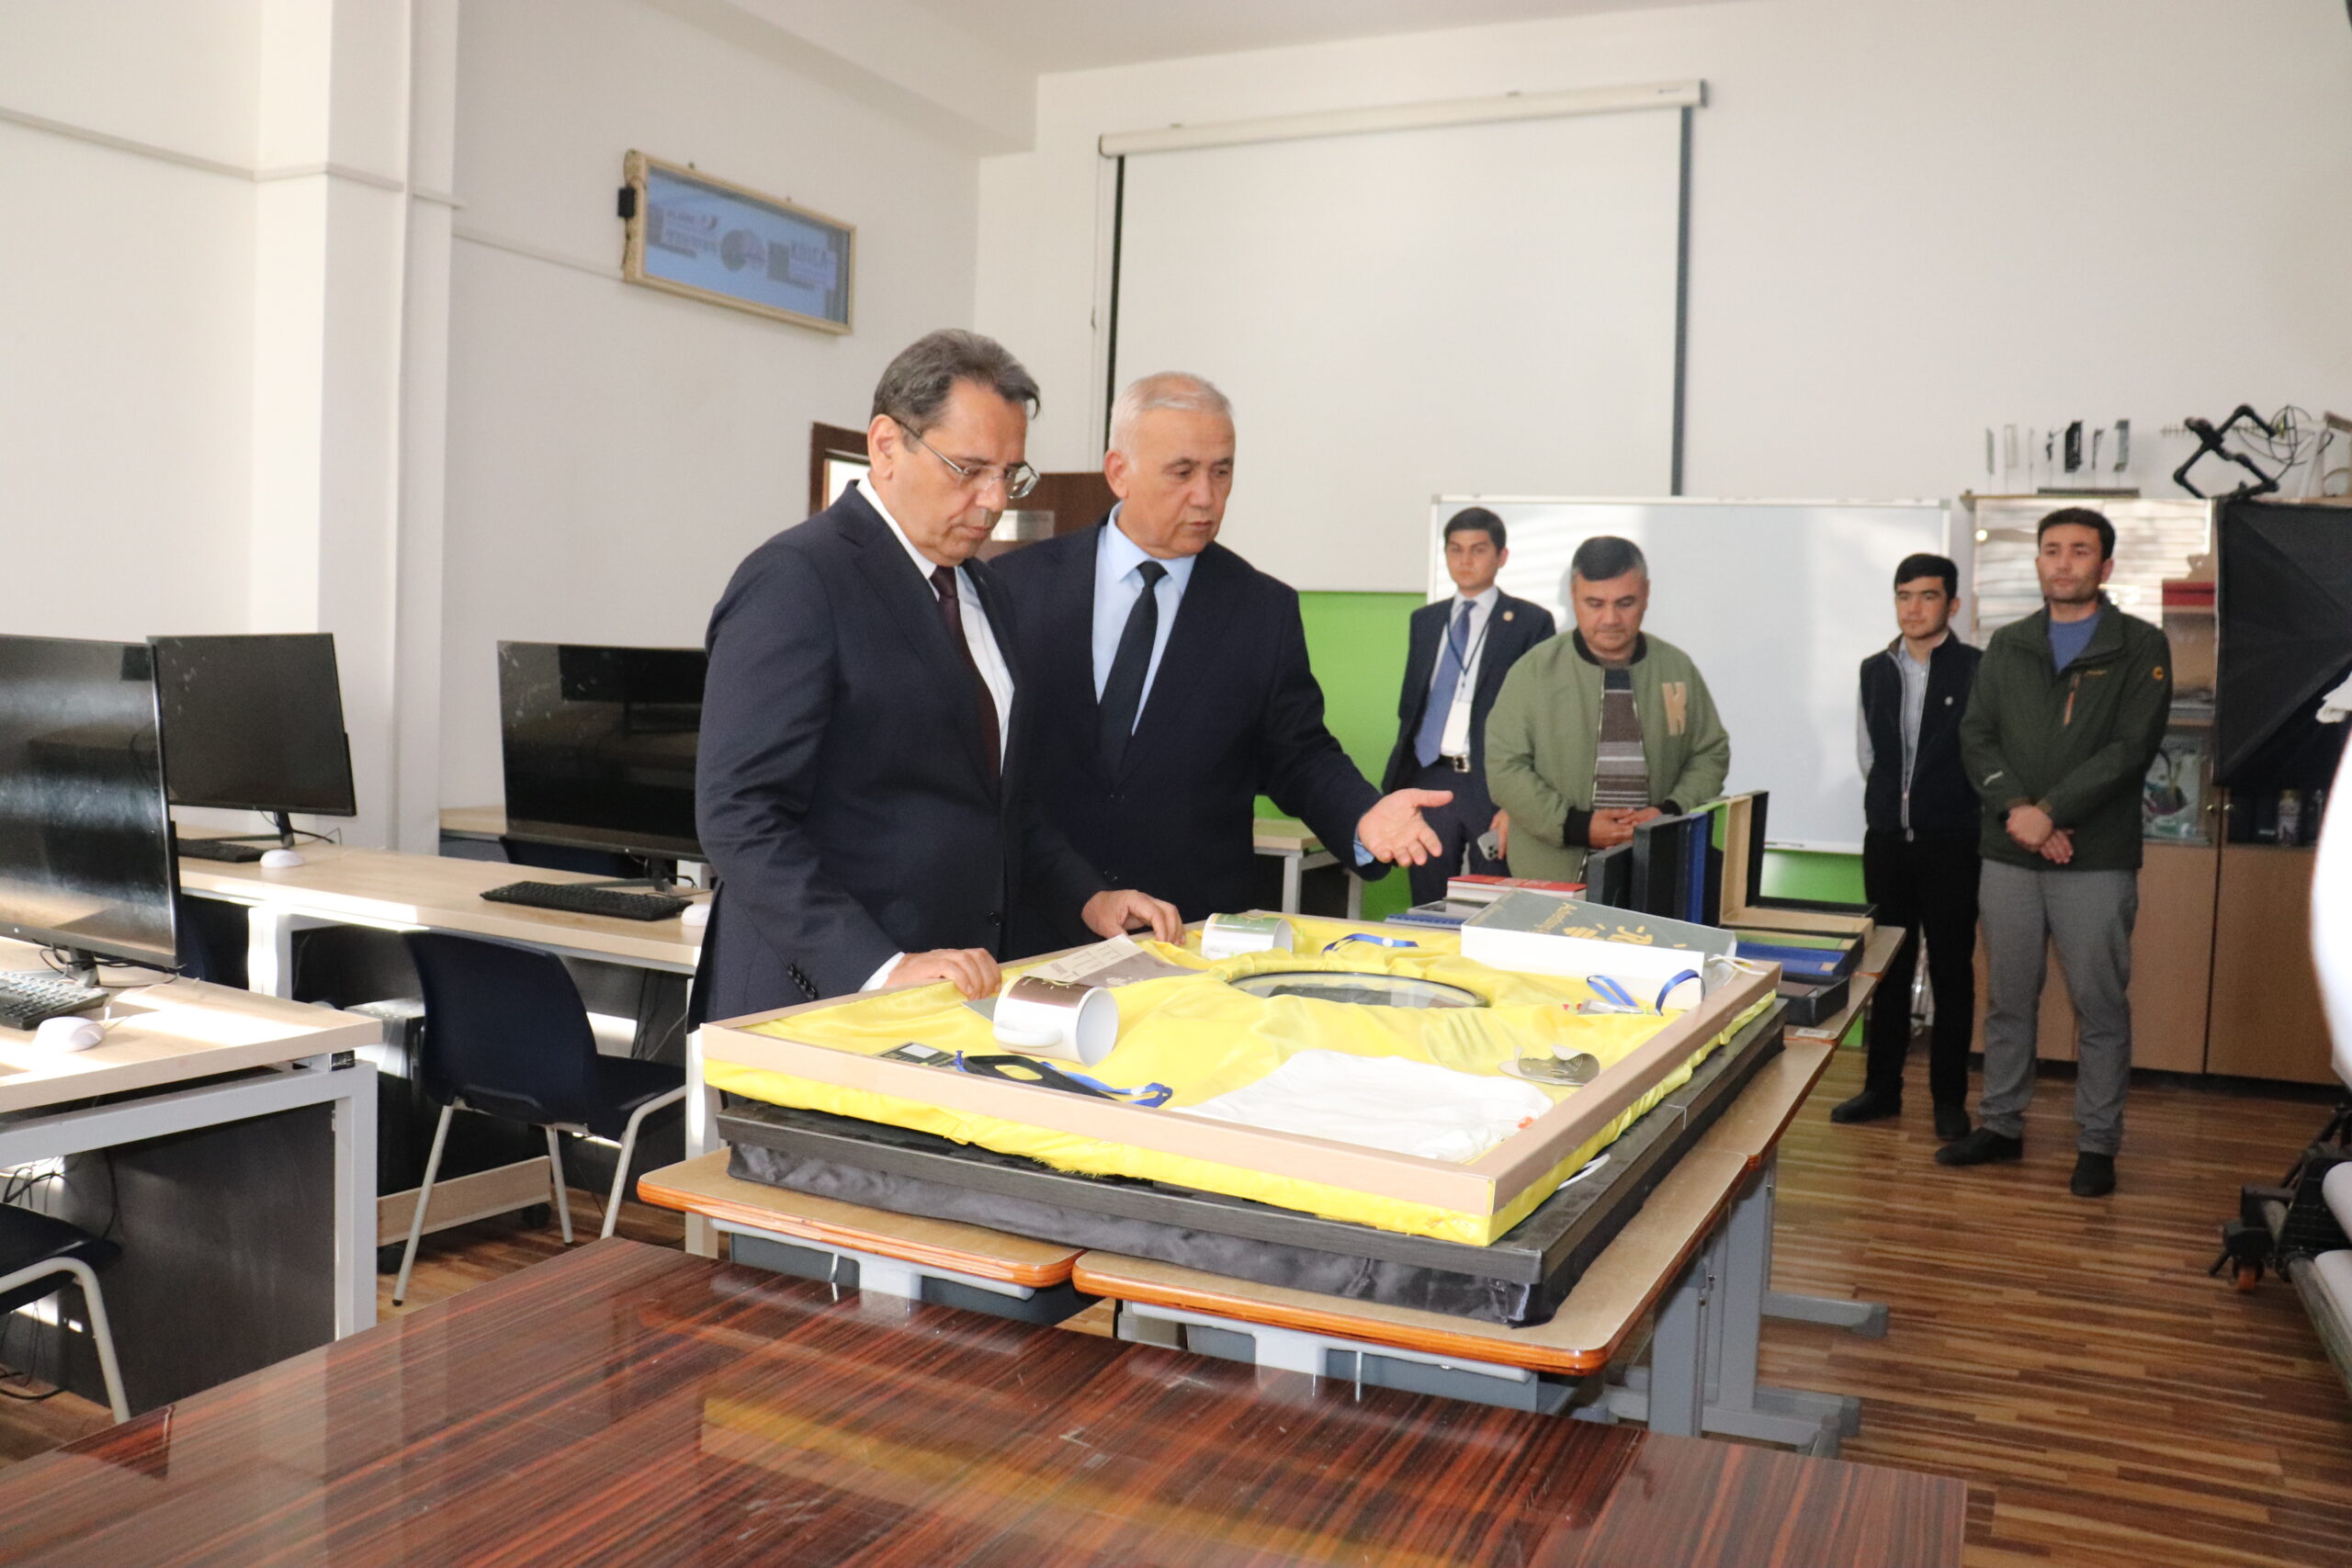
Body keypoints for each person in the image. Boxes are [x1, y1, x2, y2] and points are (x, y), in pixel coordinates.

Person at [695, 330, 1179, 1015]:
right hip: (820, 1000)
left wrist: (1087, 896)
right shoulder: (797, 579)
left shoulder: (986, 592)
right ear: (886, 445)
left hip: (956, 986)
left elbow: (1001, 804)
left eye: (1010, 474)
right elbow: (739, 814)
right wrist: (876, 966)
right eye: (969, 469)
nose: (994, 500)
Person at [991, 372, 1450, 947]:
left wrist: (1363, 815)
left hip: (1187, 935)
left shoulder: (1262, 610)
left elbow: (1299, 755)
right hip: (1036, 927)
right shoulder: (1013, 588)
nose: (1206, 497)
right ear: (1119, 472)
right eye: (1182, 472)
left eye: (1222, 472)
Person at [1942, 506, 2171, 1198]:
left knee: (2099, 1005)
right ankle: (2001, 1125)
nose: (2063, 562)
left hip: (2095, 858)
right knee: (2009, 999)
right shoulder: (2008, 644)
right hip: (2009, 850)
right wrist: (2021, 811)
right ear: (2038, 560)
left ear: (2105, 566)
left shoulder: (2140, 645)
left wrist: (2051, 813)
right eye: (2051, 549)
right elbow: (1977, 737)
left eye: (2079, 550)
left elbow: (2129, 749)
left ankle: (2097, 1143)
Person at [1831, 553, 1984, 1139]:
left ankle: (1949, 1099)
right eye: (1904, 596)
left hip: (1952, 842)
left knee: (1951, 971)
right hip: (1888, 843)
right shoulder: (1875, 669)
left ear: (1952, 604)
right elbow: (1867, 754)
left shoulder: (1976, 669)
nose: (1913, 608)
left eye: (1927, 596)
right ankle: (1881, 1089)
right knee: (1887, 969)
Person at [1484, 536, 1731, 884]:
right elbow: (1505, 767)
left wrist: (1668, 813)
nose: (1610, 618)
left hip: (1659, 867)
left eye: (1625, 603)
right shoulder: (1534, 671)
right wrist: (1577, 826)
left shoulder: (1676, 668)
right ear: (1573, 595)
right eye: (1595, 603)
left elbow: (1710, 753)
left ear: (1646, 593)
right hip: (1552, 871)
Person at [1380, 508, 1556, 906]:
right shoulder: (1426, 620)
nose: (1465, 560)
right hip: (1430, 775)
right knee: (1427, 899)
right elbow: (1412, 706)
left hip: (1492, 783)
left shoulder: (1530, 622)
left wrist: (1517, 803)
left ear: (1501, 556)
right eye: (1455, 550)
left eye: (1478, 550)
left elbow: (1540, 719)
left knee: (1491, 899)